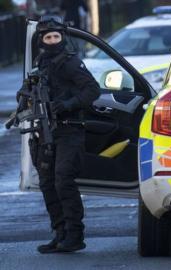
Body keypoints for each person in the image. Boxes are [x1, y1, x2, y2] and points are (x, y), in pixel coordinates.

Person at [22, 15, 100, 253]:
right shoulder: (41, 63)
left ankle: (75, 235)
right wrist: (24, 94)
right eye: (48, 37)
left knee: (63, 181)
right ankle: (60, 233)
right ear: (42, 40)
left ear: (62, 38)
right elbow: (30, 86)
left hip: (69, 129)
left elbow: (92, 90)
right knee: (47, 183)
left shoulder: (70, 62)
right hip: (46, 132)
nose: (53, 41)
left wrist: (67, 104)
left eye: (57, 36)